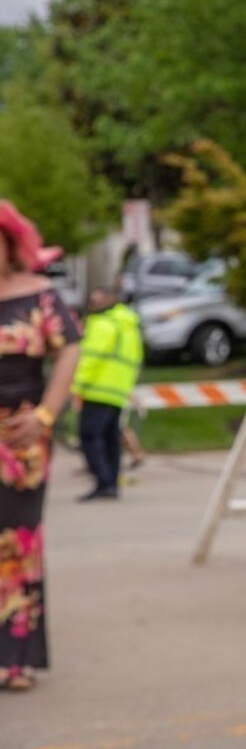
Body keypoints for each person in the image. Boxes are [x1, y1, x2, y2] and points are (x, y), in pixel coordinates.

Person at [0, 200, 82, 693]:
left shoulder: (40, 295)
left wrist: (48, 413)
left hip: (21, 440)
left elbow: (70, 348)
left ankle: (17, 657)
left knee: (18, 544)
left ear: (12, 245)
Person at [69, 286, 143, 501]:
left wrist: (77, 387)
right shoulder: (128, 325)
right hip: (117, 390)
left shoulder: (103, 325)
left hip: (97, 390)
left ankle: (103, 482)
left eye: (95, 300)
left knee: (90, 437)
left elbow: (90, 358)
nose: (92, 305)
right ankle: (111, 481)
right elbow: (135, 359)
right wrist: (126, 388)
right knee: (111, 437)